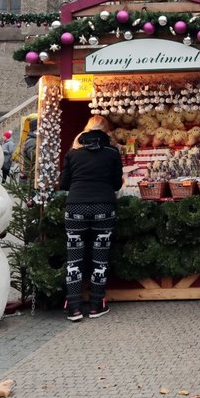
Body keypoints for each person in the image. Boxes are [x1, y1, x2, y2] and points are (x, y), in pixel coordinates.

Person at [58, 115, 123, 322]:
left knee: (74, 258)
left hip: (75, 207)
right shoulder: (112, 153)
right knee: (100, 258)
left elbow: (64, 184)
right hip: (103, 207)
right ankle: (97, 304)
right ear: (106, 134)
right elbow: (116, 184)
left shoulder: (73, 154)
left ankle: (74, 306)